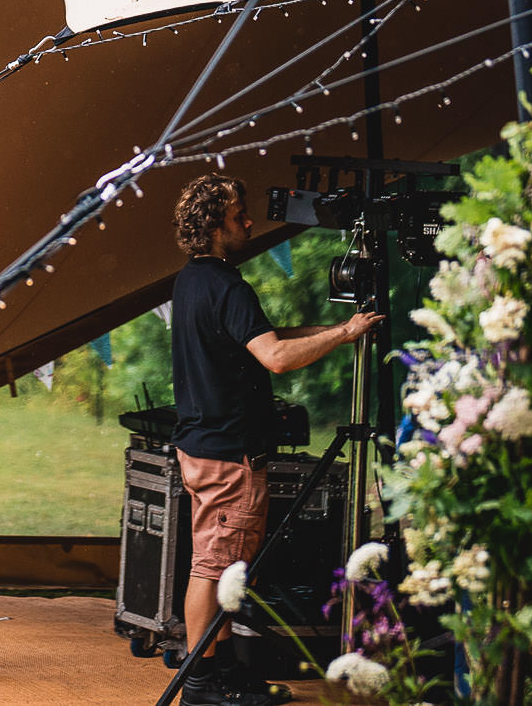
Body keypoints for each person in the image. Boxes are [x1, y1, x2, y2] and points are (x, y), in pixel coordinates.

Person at [169, 171, 380, 706]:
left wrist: (331, 329)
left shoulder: (194, 281)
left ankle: (219, 672)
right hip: (228, 456)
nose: (248, 221)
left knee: (224, 566)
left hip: (205, 447)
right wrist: (345, 335)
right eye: (239, 213)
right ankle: (200, 684)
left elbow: (265, 339)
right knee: (214, 570)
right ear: (216, 224)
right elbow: (276, 358)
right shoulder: (229, 286)